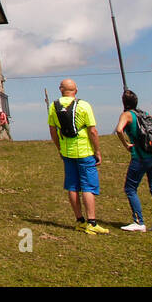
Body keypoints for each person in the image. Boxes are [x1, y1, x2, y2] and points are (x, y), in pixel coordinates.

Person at [48, 79, 108, 234]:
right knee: (88, 186)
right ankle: (92, 222)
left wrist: (59, 148)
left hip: (67, 152)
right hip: (85, 151)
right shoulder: (84, 105)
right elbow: (92, 131)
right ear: (76, 90)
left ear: (61, 90)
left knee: (72, 186)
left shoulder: (53, 106)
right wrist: (97, 151)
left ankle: (79, 220)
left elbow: (53, 130)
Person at [114, 89, 152, 232]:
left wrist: (126, 144)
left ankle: (139, 222)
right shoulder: (145, 115)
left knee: (130, 188)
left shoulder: (127, 115)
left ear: (123, 102)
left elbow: (119, 130)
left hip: (140, 158)